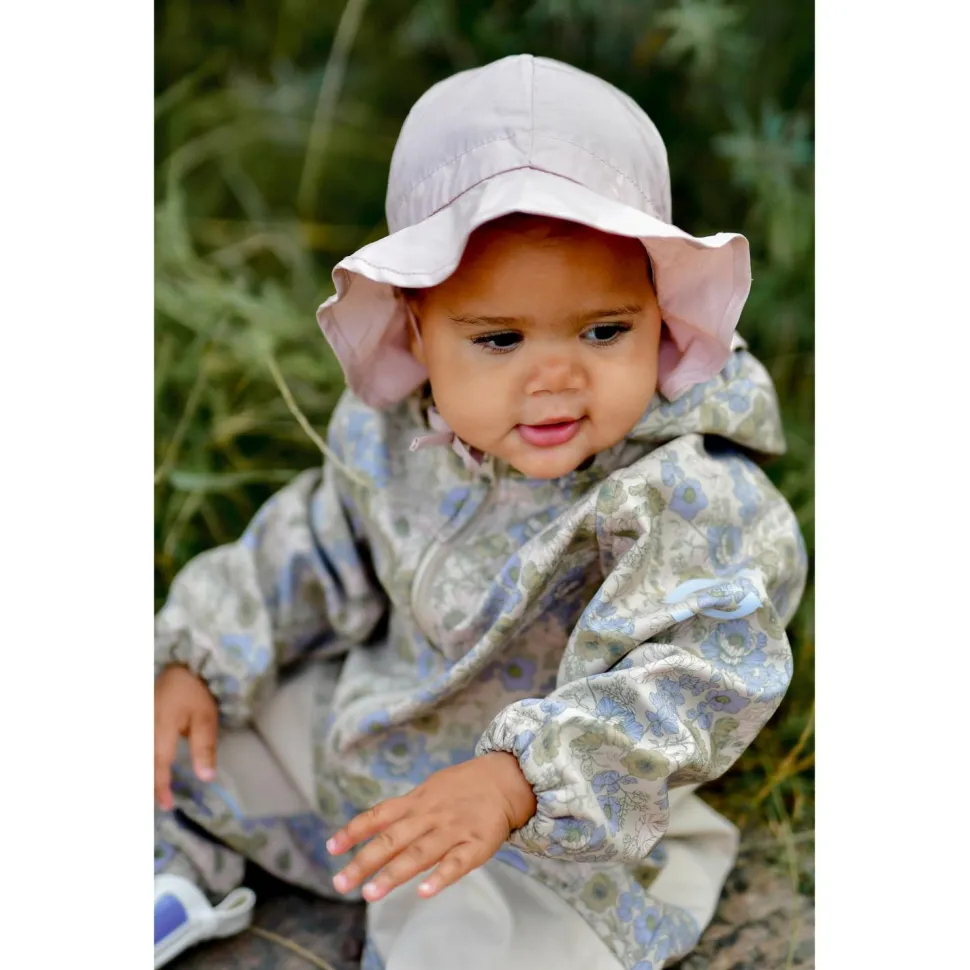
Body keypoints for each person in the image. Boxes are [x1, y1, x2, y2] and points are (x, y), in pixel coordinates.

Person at [154, 53, 807, 970]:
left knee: (479, 939)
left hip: (548, 819)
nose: (555, 377)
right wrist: (197, 656)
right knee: (179, 743)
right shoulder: (395, 439)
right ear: (418, 328)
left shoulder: (680, 491)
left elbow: (706, 671)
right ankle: (167, 870)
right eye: (499, 339)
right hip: (371, 733)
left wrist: (521, 784)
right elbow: (314, 543)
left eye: (605, 330)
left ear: (660, 314)